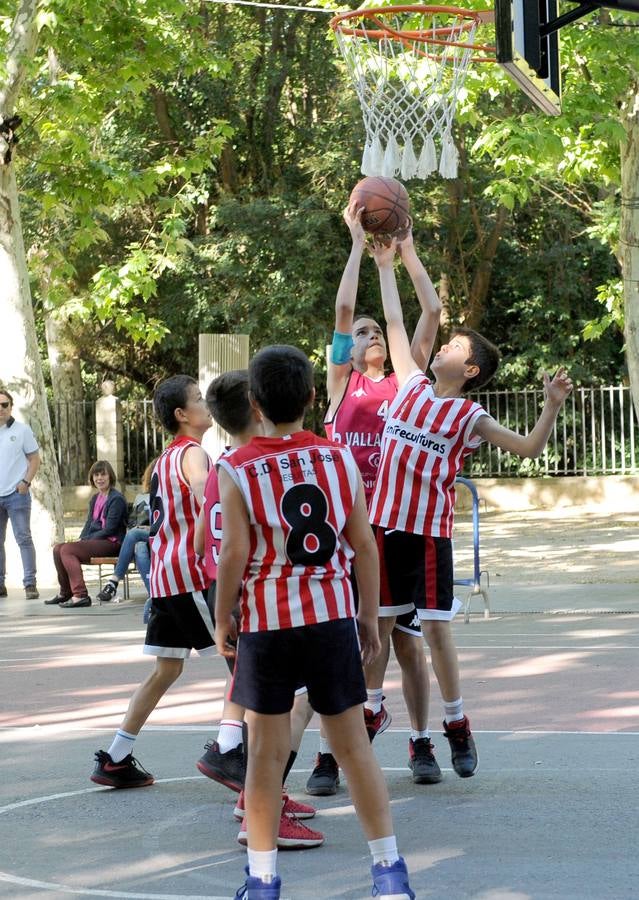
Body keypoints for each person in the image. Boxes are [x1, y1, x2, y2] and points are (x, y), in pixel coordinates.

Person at [213, 345, 414, 900]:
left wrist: (221, 613)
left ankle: (262, 880)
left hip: (269, 623)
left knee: (266, 755)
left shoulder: (236, 467)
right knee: (354, 749)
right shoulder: (340, 459)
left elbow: (233, 553)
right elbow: (365, 545)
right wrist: (367, 616)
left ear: (254, 404)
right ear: (310, 397)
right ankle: (389, 873)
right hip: (330, 618)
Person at [369, 236, 573, 779]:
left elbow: (528, 448)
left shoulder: (469, 418)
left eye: (455, 346)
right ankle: (370, 710)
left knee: (436, 631)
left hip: (428, 534)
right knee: (379, 630)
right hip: (383, 528)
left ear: (471, 371)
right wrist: (388, 263)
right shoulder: (409, 385)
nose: (443, 347)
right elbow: (396, 320)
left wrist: (549, 407)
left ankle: (455, 724)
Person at [307, 203, 441, 795]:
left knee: (404, 642)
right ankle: (331, 751)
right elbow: (343, 308)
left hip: (395, 527)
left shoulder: (405, 379)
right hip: (346, 529)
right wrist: (357, 244)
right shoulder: (343, 385)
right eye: (357, 333)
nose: (367, 337)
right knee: (343, 641)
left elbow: (421, 314)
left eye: (373, 331)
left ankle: (419, 739)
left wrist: (400, 255)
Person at [194, 370, 323, 850]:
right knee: (289, 704)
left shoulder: (224, 467)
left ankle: (259, 791)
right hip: (260, 597)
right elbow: (240, 548)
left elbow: (209, 542)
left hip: (233, 593)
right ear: (257, 407)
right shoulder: (257, 469)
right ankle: (258, 805)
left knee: (265, 703)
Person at [90, 375, 213, 788]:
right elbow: (206, 501)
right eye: (198, 398)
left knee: (166, 670)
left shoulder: (163, 460)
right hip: (190, 575)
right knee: (247, 664)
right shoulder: (194, 454)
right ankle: (234, 751)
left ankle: (116, 757)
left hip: (164, 576)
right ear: (182, 415)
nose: (206, 401)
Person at [44, 460, 128, 609]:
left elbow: (110, 529)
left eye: (103, 474)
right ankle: (66, 592)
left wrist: (86, 540)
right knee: (58, 548)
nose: (99, 478)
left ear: (110, 477)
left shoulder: (116, 499)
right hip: (96, 541)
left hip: (112, 542)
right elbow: (89, 523)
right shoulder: (96, 498)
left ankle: (80, 595)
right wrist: (82, 539)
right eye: (96, 475)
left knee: (68, 550)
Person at [95, 458, 156, 608]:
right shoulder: (141, 498)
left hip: (162, 535)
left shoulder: (169, 495)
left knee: (133, 535)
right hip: (145, 539)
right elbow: (133, 522)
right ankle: (153, 595)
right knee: (139, 547)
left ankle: (114, 581)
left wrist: (150, 529)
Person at [0, 387, 40, 600]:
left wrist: (26, 482)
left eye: (4, 404)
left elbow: (35, 459)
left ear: (11, 406)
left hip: (17, 494)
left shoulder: (22, 430)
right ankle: (0, 584)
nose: (1, 409)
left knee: (23, 538)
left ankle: (30, 584)